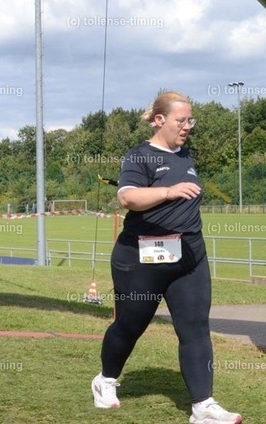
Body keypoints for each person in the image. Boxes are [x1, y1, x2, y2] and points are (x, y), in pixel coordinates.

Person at [91, 91, 242, 424]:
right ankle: (105, 380)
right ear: (159, 120)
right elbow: (128, 198)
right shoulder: (139, 156)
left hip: (189, 258)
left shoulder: (186, 155)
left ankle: (203, 406)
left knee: (195, 328)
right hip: (141, 259)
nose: (188, 126)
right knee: (130, 326)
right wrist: (168, 192)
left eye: (191, 120)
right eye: (181, 120)